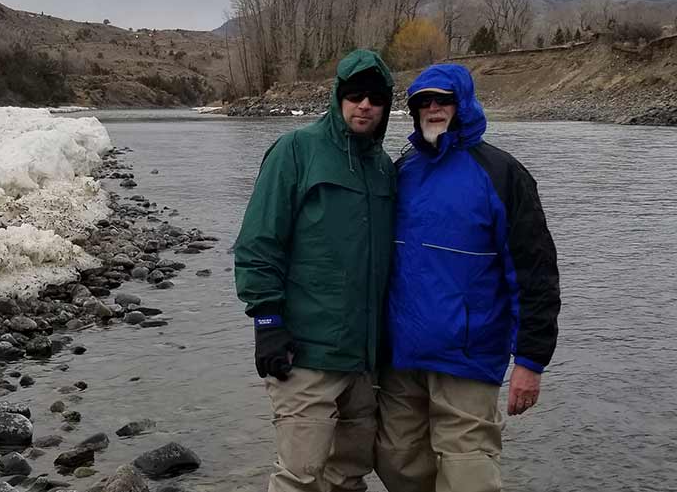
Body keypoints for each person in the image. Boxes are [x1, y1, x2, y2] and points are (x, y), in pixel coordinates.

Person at [375, 63, 560, 492]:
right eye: (424, 102)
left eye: (443, 100)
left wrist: (530, 361)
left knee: (467, 473)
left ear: (464, 104)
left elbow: (535, 273)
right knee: (395, 459)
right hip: (402, 358)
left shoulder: (502, 174)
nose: (434, 108)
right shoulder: (401, 171)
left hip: (469, 356)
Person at [234, 49, 396, 492]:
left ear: (386, 106)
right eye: (354, 94)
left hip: (364, 363)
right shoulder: (295, 151)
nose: (364, 105)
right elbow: (257, 244)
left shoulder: (384, 168)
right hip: (305, 356)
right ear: (337, 97)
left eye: (375, 98)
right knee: (299, 478)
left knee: (348, 477)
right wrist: (267, 322)